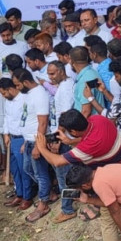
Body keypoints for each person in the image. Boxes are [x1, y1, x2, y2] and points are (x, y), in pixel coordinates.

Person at [13, 68, 54, 222]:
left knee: (40, 174)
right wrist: (26, 140)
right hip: (29, 140)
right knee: (28, 169)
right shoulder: (29, 94)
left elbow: (43, 122)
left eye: (17, 85)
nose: (17, 88)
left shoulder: (39, 95)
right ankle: (50, 193)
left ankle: (43, 204)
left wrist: (38, 146)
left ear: (25, 82)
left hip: (37, 141)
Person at [45, 61, 76, 223]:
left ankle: (68, 209)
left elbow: (64, 116)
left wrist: (57, 138)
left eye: (53, 73)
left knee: (64, 176)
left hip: (63, 136)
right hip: (60, 134)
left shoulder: (66, 88)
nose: (50, 77)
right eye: (48, 74)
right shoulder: (64, 86)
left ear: (62, 71)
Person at [0, 78, 34, 210]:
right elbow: (6, 118)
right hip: (12, 138)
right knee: (15, 169)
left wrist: (26, 141)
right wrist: (5, 134)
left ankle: (27, 197)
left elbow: (29, 120)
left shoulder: (24, 99)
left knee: (23, 169)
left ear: (11, 89)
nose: (3, 96)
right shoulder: (7, 101)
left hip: (22, 138)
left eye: (4, 93)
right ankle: (19, 193)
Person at [69, 46, 103, 117]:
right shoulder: (91, 72)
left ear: (71, 61)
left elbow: (86, 111)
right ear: (87, 58)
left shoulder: (85, 79)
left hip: (90, 124)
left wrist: (76, 128)